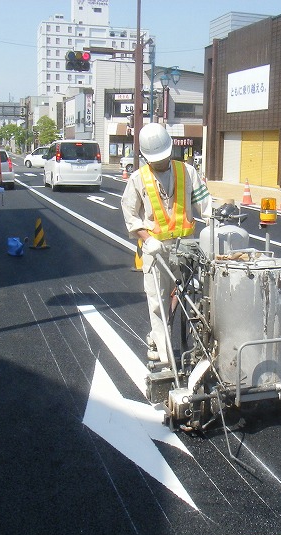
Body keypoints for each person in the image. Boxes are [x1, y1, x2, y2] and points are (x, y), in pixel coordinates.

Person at [121, 123, 212, 364]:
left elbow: (205, 204)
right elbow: (130, 216)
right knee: (157, 301)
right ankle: (165, 354)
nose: (161, 162)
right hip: (156, 249)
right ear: (146, 157)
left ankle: (164, 338)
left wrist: (215, 221)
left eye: (164, 157)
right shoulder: (138, 179)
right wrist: (147, 239)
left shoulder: (187, 172)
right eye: (156, 159)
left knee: (188, 295)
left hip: (186, 247)